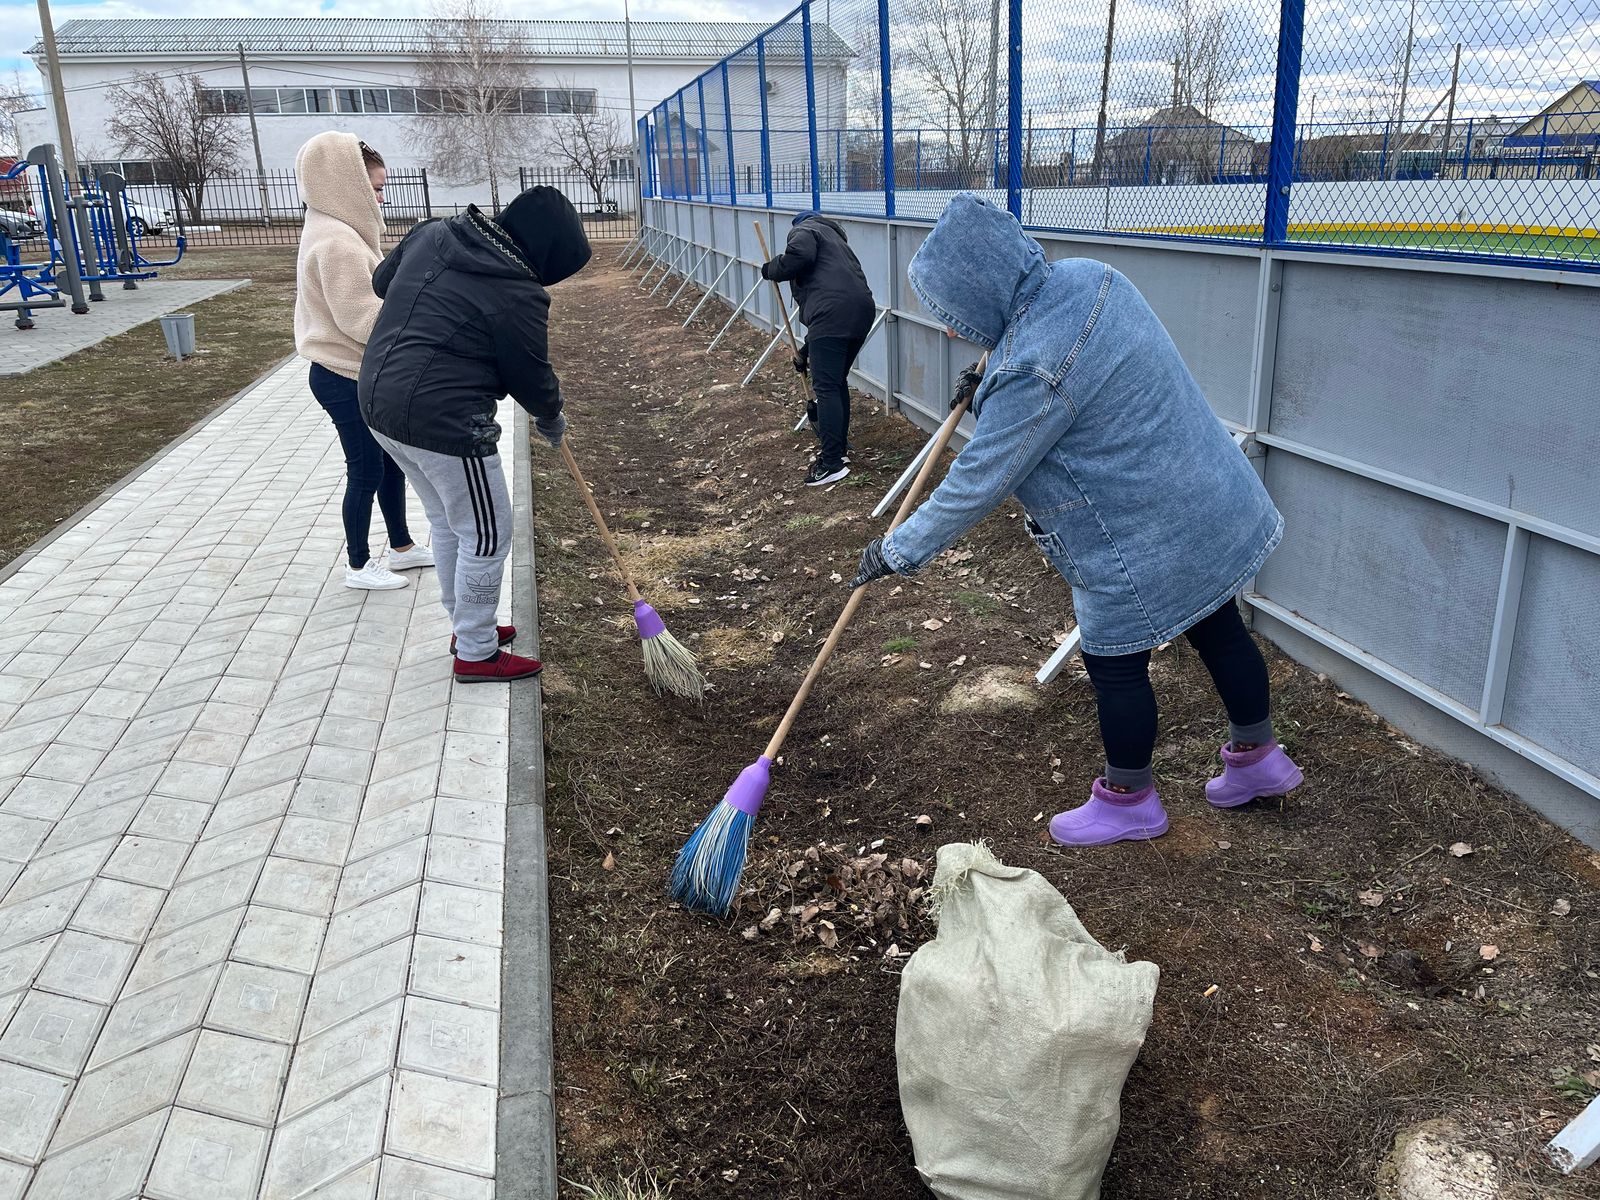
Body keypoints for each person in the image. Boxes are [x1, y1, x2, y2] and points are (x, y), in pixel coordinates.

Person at [852, 194, 1303, 845]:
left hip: (1139, 533)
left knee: (1114, 659)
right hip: (1206, 498)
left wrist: (899, 549)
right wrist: (987, 383)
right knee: (1218, 624)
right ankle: (1259, 760)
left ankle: (1129, 800)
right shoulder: (1090, 278)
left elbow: (979, 480)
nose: (951, 331)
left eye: (954, 312)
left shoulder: (1031, 370)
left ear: (981, 292)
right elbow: (1066, 365)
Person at [360, 186, 591, 683]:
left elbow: (382, 283)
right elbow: (530, 374)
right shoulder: (517, 291)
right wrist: (551, 415)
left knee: (450, 523)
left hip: (379, 400)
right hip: (443, 421)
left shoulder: (433, 233)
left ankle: (467, 626)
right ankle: (476, 652)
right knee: (488, 533)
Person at [294, 132, 432, 590]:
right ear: (346, 185)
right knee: (367, 468)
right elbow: (364, 320)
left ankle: (402, 548)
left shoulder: (335, 230)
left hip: (356, 371)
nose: (381, 198)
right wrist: (422, 315)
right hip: (343, 374)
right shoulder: (338, 243)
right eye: (374, 189)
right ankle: (357, 566)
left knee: (390, 462)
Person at [760, 212, 876, 487]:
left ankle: (832, 462)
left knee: (826, 388)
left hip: (831, 314)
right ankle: (839, 449)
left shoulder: (806, 229)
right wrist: (806, 352)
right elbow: (835, 297)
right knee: (835, 383)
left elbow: (799, 255)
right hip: (861, 311)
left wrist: (772, 268)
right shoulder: (836, 242)